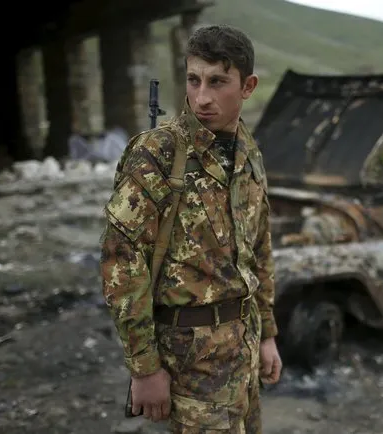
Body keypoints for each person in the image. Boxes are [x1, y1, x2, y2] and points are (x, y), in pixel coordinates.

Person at [99, 24, 282, 433]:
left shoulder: (248, 152)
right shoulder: (158, 153)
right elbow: (121, 262)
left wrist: (268, 334)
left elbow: (259, 248)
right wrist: (145, 369)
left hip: (245, 349)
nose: (202, 97)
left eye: (218, 82)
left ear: (247, 86)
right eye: (194, 80)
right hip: (190, 360)